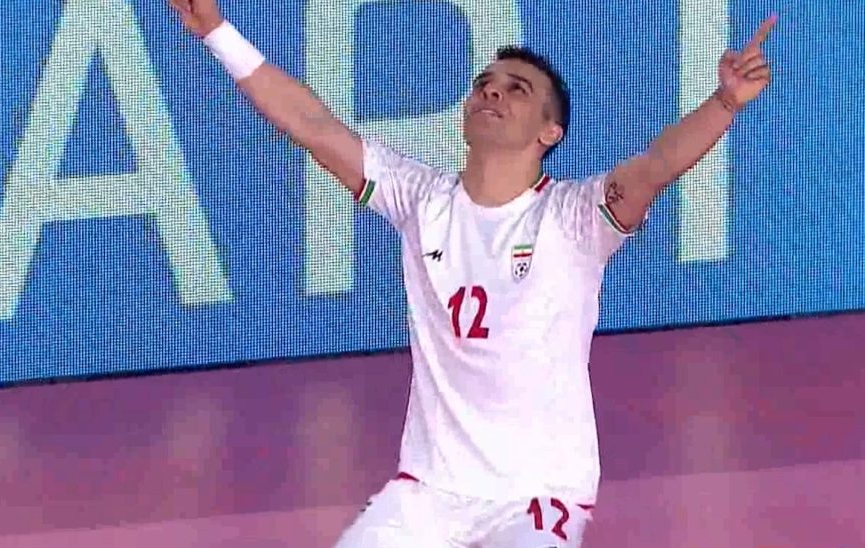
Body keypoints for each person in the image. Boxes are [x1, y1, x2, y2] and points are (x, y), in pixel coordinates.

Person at [167, 1, 777, 546]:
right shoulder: (420, 200)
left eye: (517, 89)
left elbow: (655, 167)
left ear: (550, 132)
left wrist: (724, 102)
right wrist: (217, 31)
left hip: (539, 496)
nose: (492, 93)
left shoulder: (572, 218)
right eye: (484, 84)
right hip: (429, 490)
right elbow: (312, 126)